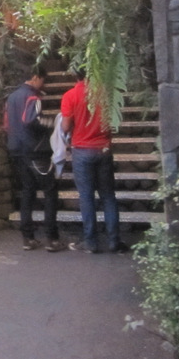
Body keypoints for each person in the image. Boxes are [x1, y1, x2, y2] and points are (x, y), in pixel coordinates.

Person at [60, 69, 128, 254]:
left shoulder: (70, 95)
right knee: (108, 196)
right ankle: (114, 241)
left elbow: (65, 126)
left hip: (82, 151)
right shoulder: (105, 94)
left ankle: (91, 242)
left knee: (86, 197)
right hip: (103, 149)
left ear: (77, 76)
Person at [5, 66, 65, 252]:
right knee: (50, 191)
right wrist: (53, 123)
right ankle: (51, 238)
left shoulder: (11, 98)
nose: (43, 84)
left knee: (28, 192)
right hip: (35, 151)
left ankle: (27, 238)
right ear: (35, 77)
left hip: (16, 150)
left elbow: (6, 124)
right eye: (42, 80)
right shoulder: (33, 97)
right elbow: (32, 120)